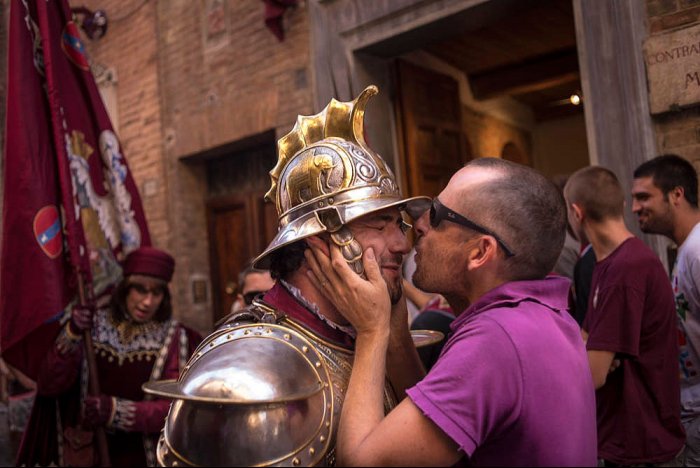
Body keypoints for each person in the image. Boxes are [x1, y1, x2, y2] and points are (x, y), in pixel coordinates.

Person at [149, 85, 431, 466]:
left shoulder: (370, 330)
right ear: (323, 240)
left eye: (399, 224)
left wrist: (390, 337)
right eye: (380, 224)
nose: (402, 243)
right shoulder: (246, 372)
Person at [305, 157, 597, 466]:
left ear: (480, 251)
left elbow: (364, 461)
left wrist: (371, 330)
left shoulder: (495, 341)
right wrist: (397, 335)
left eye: (437, 216)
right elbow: (436, 440)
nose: (416, 228)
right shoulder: (541, 316)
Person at [16, 246, 201, 467]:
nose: (148, 302)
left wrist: (116, 411)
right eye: (140, 290)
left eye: (156, 293)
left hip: (145, 457)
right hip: (87, 453)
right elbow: (50, 384)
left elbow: (178, 410)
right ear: (125, 288)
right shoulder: (90, 328)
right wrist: (72, 332)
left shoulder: (178, 338)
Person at [565, 166, 684, 465]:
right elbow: (586, 339)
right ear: (619, 205)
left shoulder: (626, 268)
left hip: (642, 443)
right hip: (624, 436)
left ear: (577, 213)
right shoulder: (606, 263)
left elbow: (592, 374)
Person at [632, 154, 700, 464]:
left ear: (676, 195)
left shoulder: (698, 252)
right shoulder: (686, 251)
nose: (635, 208)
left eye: (643, 197)